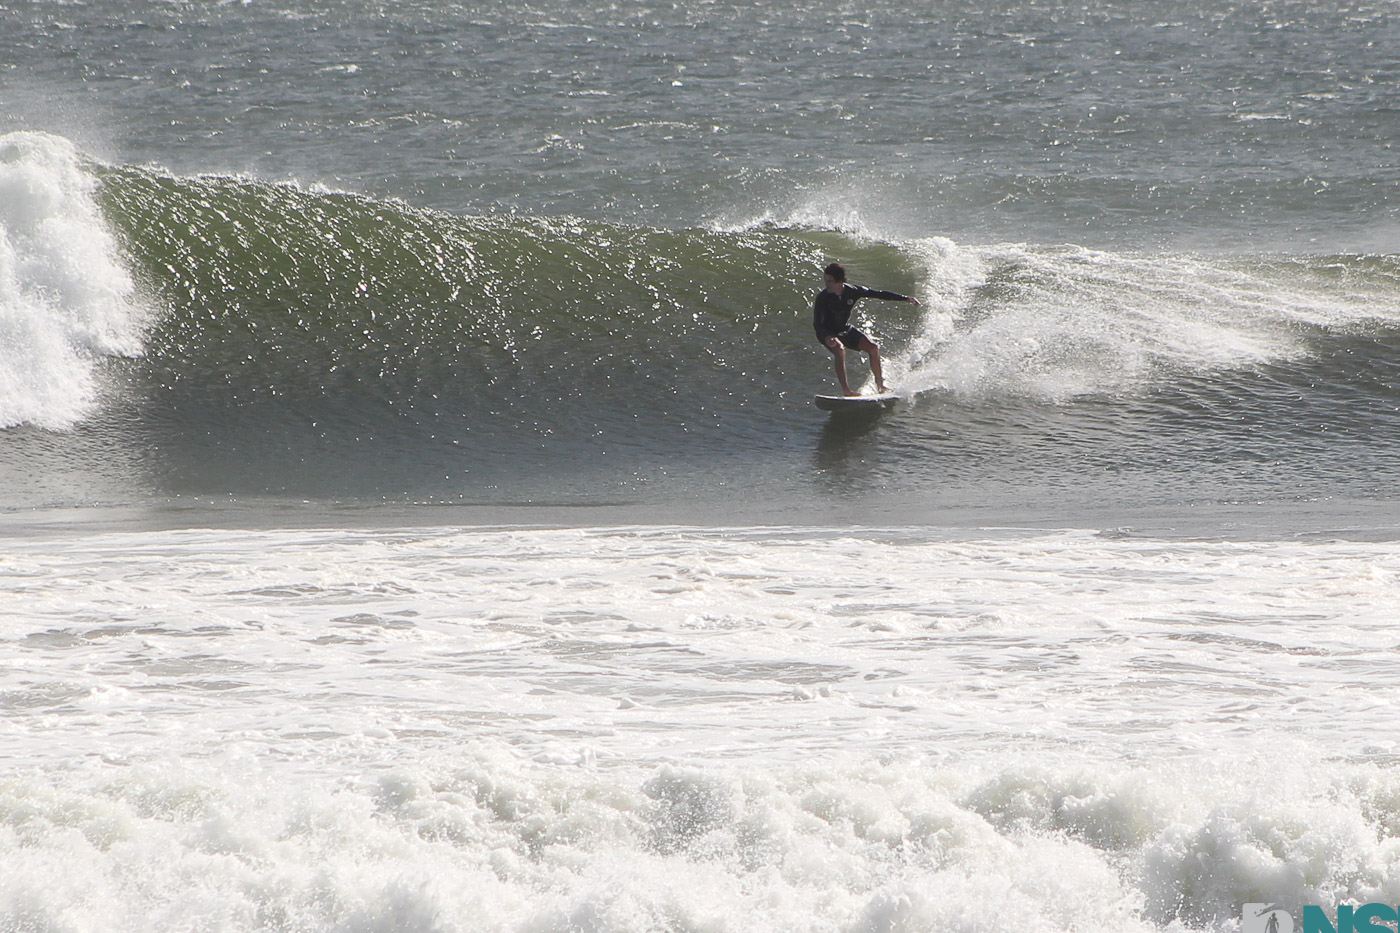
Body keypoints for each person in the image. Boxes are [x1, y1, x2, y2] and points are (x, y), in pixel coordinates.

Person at [813, 262, 920, 396]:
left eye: (830, 281)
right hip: (827, 333)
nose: (826, 284)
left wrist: (906, 299)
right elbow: (817, 324)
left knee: (873, 348)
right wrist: (827, 337)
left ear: (839, 280)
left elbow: (879, 294)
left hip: (843, 329)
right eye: (825, 280)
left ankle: (881, 386)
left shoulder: (852, 291)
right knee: (840, 350)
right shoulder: (822, 297)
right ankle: (847, 391)